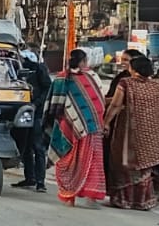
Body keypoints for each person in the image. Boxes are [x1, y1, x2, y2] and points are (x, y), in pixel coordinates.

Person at [104, 55, 159, 210]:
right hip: (151, 134)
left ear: (133, 69)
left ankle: (125, 200)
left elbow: (115, 105)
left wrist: (106, 123)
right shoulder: (158, 87)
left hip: (129, 132)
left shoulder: (126, 84)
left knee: (124, 164)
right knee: (144, 166)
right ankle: (142, 201)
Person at [47, 48, 108, 208]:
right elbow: (99, 102)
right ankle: (90, 198)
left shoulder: (61, 78)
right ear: (84, 61)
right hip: (92, 127)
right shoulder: (92, 77)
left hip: (67, 126)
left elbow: (53, 105)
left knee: (67, 159)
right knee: (92, 161)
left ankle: (69, 198)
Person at [14, 50, 53, 192]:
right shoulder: (15, 67)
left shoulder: (38, 68)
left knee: (38, 147)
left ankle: (40, 182)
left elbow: (47, 87)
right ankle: (29, 177)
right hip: (21, 112)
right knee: (25, 146)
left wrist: (36, 104)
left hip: (36, 113)